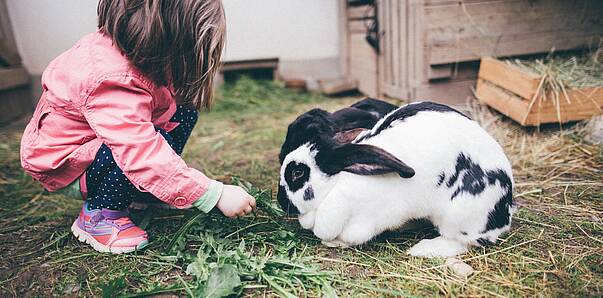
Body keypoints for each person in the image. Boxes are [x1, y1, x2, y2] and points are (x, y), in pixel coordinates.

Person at [20, 0, 256, 254]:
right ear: (170, 36)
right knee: (146, 145)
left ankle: (143, 192)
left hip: (95, 146)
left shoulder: (139, 57)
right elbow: (140, 151)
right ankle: (98, 216)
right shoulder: (112, 78)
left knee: (184, 112)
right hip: (65, 163)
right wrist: (212, 193)